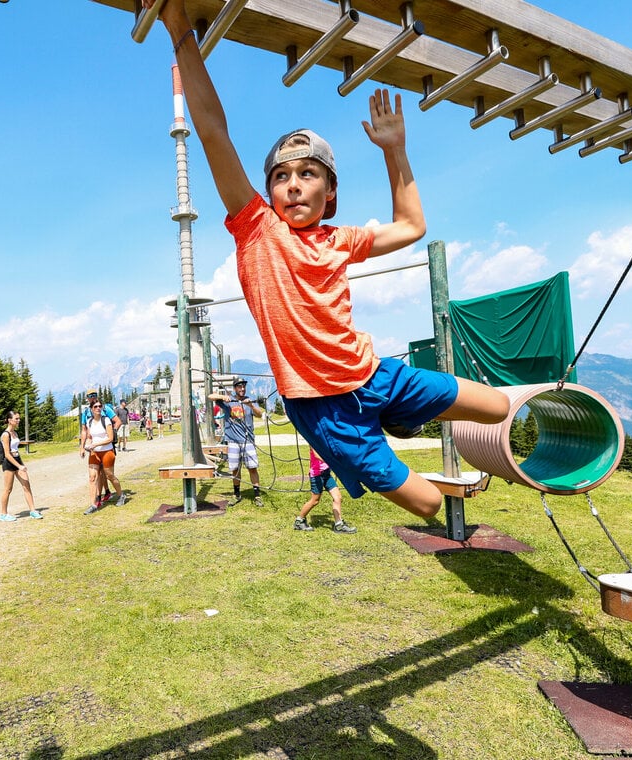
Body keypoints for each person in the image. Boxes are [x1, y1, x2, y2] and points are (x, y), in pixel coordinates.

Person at [144, 0, 510, 519]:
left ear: (330, 192)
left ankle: (407, 418)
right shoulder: (257, 229)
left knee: (497, 406)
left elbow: (412, 227)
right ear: (268, 191)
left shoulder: (339, 239)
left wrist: (394, 149)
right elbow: (211, 131)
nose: (292, 185)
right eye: (280, 176)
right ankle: (397, 429)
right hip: (324, 408)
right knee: (427, 504)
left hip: (374, 374)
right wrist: (177, 25)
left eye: (307, 174)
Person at [208, 378, 264, 506]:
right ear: (235, 388)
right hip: (233, 441)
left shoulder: (249, 400)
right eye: (239, 387)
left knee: (252, 468)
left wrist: (250, 405)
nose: (242, 389)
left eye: (244, 386)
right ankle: (237, 494)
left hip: (248, 440)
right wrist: (223, 397)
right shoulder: (228, 401)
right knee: (235, 469)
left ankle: (257, 496)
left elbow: (260, 414)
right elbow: (210, 396)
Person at [80, 397, 125, 514]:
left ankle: (121, 495)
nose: (98, 408)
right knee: (92, 477)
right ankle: (93, 504)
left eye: (100, 406)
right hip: (95, 452)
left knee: (110, 476)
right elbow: (89, 436)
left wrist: (96, 444)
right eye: (95, 407)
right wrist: (87, 445)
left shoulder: (106, 421)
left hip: (107, 451)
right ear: (91, 409)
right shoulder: (89, 422)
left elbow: (110, 438)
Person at [295, 449, 356, 534]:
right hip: (316, 475)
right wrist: (332, 462)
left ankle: (338, 525)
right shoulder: (313, 440)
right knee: (315, 501)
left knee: (337, 497)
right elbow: (316, 455)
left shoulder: (325, 440)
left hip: (326, 474)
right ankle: (299, 521)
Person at [0, 409, 43, 522]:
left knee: (26, 485)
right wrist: (19, 466)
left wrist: (21, 464)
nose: (18, 420)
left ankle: (33, 511)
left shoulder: (15, 433)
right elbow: (7, 454)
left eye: (19, 418)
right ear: (9, 420)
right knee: (8, 489)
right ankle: (3, 514)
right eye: (16, 418)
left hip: (17, 460)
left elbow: (15, 450)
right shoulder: (5, 434)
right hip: (9, 463)